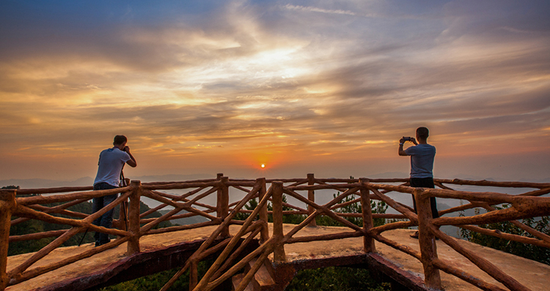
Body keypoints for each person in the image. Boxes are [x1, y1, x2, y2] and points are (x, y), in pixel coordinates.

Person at [92, 135, 137, 246]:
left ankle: (97, 239)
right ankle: (103, 240)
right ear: (123, 144)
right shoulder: (122, 154)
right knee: (107, 214)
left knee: (97, 213)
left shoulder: (103, 152)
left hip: (97, 184)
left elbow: (101, 164)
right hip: (111, 185)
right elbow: (134, 164)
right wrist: (128, 152)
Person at [398, 127, 438, 239]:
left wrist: (401, 143)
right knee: (431, 205)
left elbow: (401, 153)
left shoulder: (414, 149)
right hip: (429, 179)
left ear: (417, 135)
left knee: (419, 207)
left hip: (416, 179)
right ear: (428, 135)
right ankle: (435, 231)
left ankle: (422, 232)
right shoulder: (432, 149)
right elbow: (421, 149)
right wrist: (415, 143)